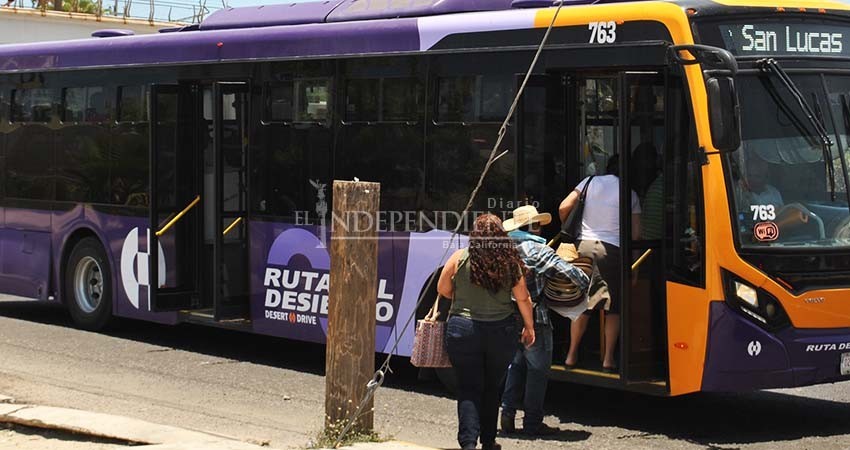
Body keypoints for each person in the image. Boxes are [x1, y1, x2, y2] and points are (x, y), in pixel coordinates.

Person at [437, 214, 536, 450]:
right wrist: (529, 327)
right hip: (500, 332)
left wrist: (461, 298)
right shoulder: (509, 262)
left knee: (469, 387)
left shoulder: (459, 257)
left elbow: (443, 288)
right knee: (493, 386)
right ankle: (489, 441)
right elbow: (523, 298)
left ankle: (468, 443)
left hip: (463, 330)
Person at [500, 206, 590, 436]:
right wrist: (586, 281)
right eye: (538, 223)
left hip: (507, 319)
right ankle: (532, 423)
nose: (541, 227)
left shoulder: (504, 249)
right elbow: (572, 273)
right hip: (535, 320)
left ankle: (507, 416)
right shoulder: (536, 249)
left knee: (516, 367)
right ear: (533, 227)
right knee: (537, 372)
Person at [558, 154, 640, 372]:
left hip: (583, 247)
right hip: (611, 250)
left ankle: (571, 355)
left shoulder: (589, 182)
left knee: (582, 304)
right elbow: (637, 233)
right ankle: (608, 359)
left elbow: (563, 207)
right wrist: (635, 267)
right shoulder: (630, 194)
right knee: (613, 307)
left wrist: (573, 229)